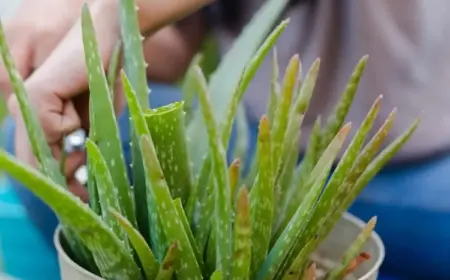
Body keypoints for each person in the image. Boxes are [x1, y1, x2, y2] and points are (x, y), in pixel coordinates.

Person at [1, 0, 450, 279]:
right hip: (262, 144)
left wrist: (110, 10)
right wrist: (81, 37)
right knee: (30, 136)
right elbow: (176, 49)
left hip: (423, 167)